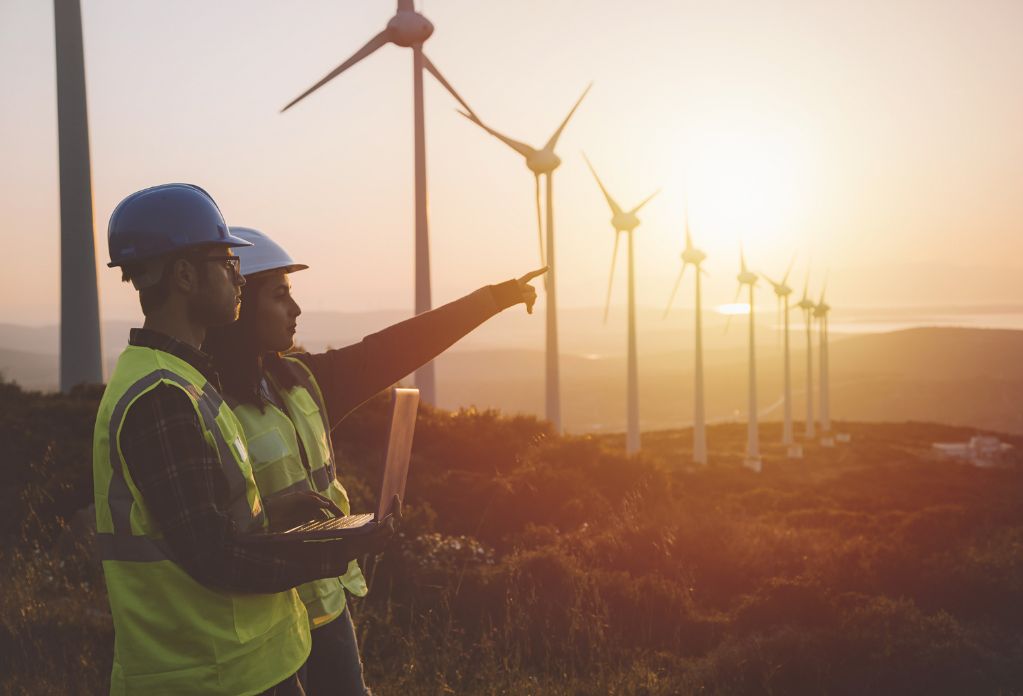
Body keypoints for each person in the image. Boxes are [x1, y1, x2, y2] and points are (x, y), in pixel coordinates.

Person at [203, 226, 546, 695]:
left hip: (326, 607)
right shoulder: (205, 404)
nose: (296, 309)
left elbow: (396, 347)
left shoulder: (303, 382)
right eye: (280, 296)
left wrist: (493, 299)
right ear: (241, 306)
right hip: (262, 623)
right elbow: (213, 533)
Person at [93, 183, 395, 696]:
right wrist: (336, 549)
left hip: (245, 664)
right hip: (209, 675)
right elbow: (214, 556)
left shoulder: (188, 381)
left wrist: (278, 514)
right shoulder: (161, 398)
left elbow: (208, 522)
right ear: (185, 275)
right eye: (227, 261)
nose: (238, 276)